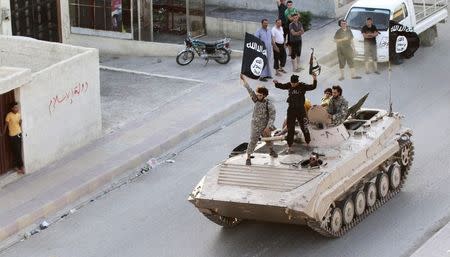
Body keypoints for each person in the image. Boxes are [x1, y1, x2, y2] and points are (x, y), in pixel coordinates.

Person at [273, 74, 317, 153]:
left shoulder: (302, 86)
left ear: (297, 82)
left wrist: (315, 79)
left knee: (304, 127)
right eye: (292, 83)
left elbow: (313, 87)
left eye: (294, 83)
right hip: (291, 109)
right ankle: (290, 146)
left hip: (301, 109)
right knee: (290, 128)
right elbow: (282, 86)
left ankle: (308, 143)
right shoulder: (289, 85)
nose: (292, 85)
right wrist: (276, 83)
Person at [240, 74, 278, 166]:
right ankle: (248, 157)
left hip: (265, 126)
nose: (258, 96)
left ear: (264, 95)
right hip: (255, 125)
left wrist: (268, 127)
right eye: (257, 95)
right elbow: (250, 90)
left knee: (268, 140)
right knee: (253, 140)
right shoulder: (256, 100)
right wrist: (244, 80)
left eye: (260, 95)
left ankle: (271, 151)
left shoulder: (268, 104)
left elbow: (272, 116)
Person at [2, 102, 24, 174]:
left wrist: (20, 123)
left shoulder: (18, 115)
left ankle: (19, 167)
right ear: (12, 108)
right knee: (16, 151)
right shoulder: (9, 115)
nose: (17, 109)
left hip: (19, 134)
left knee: (19, 150)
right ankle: (20, 167)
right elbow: (6, 125)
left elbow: (18, 124)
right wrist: (3, 133)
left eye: (17, 107)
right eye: (15, 107)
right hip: (13, 136)